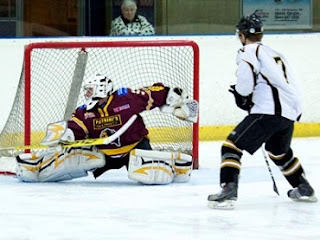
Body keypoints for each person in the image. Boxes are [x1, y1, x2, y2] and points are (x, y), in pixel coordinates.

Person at [207, 13, 317, 209]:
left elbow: (245, 85)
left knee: (231, 147)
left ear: (241, 36)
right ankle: (303, 187)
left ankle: (228, 190)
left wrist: (242, 95)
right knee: (278, 151)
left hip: (268, 111)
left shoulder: (247, 52)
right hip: (289, 112)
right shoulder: (274, 53)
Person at [15, 74, 198, 184]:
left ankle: (178, 166)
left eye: (89, 89)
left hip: (135, 147)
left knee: (143, 170)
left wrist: (179, 104)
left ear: (101, 89)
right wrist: (64, 135)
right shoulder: (83, 112)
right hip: (106, 152)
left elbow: (158, 93)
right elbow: (75, 128)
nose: (86, 94)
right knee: (82, 157)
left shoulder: (126, 99)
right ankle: (35, 167)